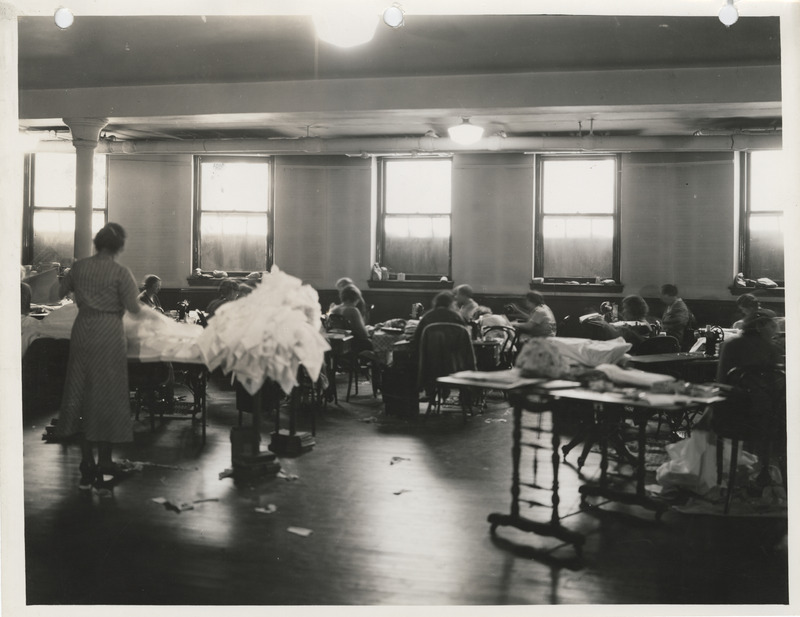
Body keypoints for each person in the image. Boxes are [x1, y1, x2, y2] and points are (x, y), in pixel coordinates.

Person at [54, 223, 158, 490]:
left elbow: (56, 294)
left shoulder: (79, 267)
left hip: (83, 330)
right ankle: (106, 461)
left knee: (83, 391)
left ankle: (86, 462)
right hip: (109, 333)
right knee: (106, 396)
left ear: (96, 242)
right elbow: (135, 309)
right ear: (119, 247)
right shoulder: (120, 272)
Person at [717, 308, 782, 382]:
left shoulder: (729, 343)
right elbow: (779, 378)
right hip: (763, 392)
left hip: (732, 391)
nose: (776, 331)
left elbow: (721, 377)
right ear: (759, 327)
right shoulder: (769, 347)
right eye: (772, 327)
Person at [409, 291, 466, 360]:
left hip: (429, 359)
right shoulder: (457, 317)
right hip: (453, 359)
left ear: (436, 302)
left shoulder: (427, 316)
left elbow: (417, 337)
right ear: (452, 303)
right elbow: (465, 338)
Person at [330, 285, 373, 353]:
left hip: (339, 344)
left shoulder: (334, 309)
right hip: (354, 344)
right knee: (373, 343)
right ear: (356, 298)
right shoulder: (353, 310)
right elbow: (363, 334)